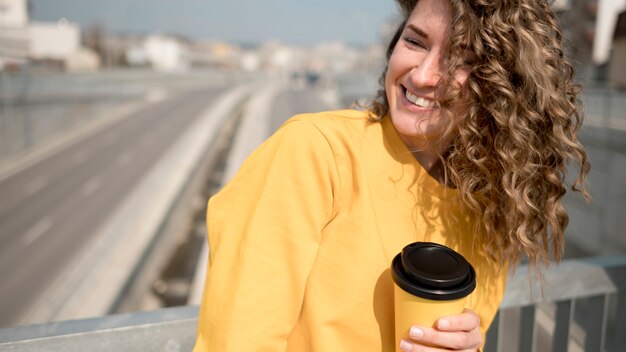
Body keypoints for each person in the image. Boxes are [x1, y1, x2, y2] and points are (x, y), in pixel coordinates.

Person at [193, 0, 590, 350]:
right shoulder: (316, 153)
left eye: (462, 59)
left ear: (503, 87)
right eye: (415, 42)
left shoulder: (495, 205)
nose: (421, 76)